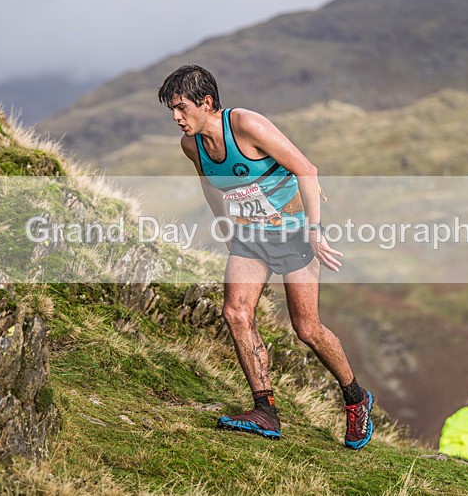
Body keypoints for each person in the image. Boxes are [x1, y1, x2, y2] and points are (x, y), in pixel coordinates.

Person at [157, 65, 374, 449]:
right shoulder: (192, 146)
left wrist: (315, 229)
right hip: (250, 236)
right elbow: (209, 186)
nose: (175, 117)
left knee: (307, 329)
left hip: (293, 233)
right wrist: (225, 227)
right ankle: (265, 411)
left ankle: (356, 399)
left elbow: (306, 170)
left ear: (206, 103)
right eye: (171, 110)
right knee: (236, 312)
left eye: (180, 107)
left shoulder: (245, 125)